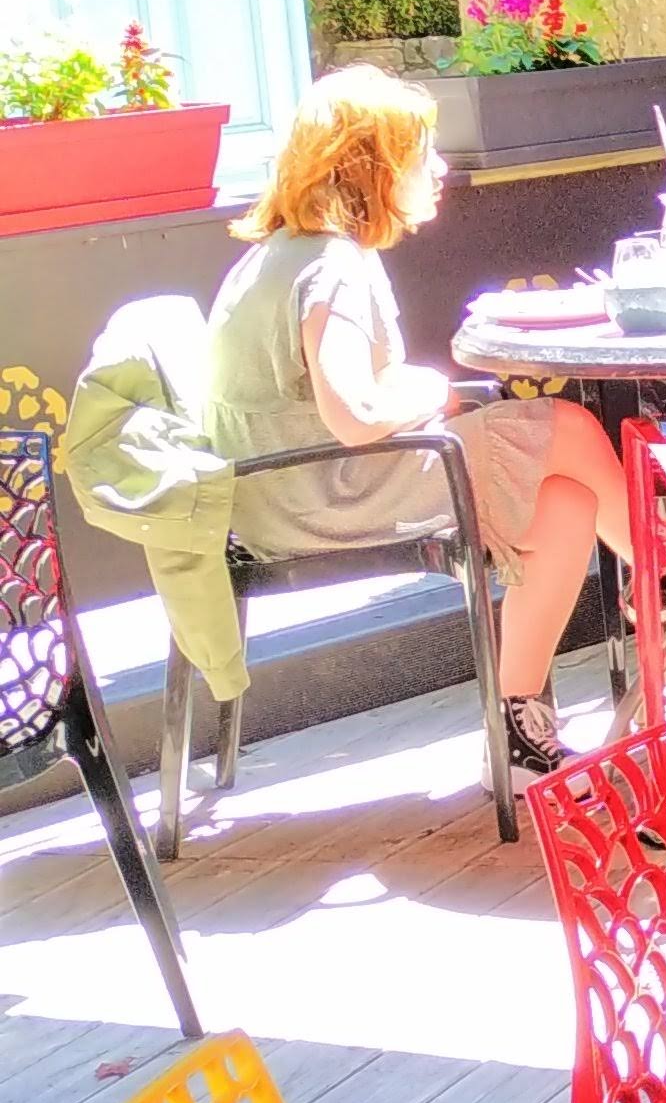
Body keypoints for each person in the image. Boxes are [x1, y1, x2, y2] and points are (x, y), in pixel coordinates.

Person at [204, 65, 632, 776]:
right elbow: (356, 415)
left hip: (278, 500)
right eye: (420, 153)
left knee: (566, 505)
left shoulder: (278, 255)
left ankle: (519, 725)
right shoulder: (332, 267)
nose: (439, 169)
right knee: (568, 427)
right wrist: (432, 388)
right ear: (368, 166)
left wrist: (424, 395)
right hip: (327, 498)